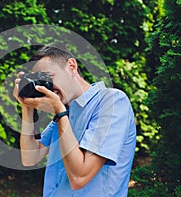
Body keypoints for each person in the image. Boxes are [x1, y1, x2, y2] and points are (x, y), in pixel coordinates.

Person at [13, 45, 136, 196]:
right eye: (41, 82)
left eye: (49, 78)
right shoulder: (66, 112)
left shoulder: (111, 102)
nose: (48, 87)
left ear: (71, 66)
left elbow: (79, 177)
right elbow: (30, 157)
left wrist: (59, 113)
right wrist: (27, 107)